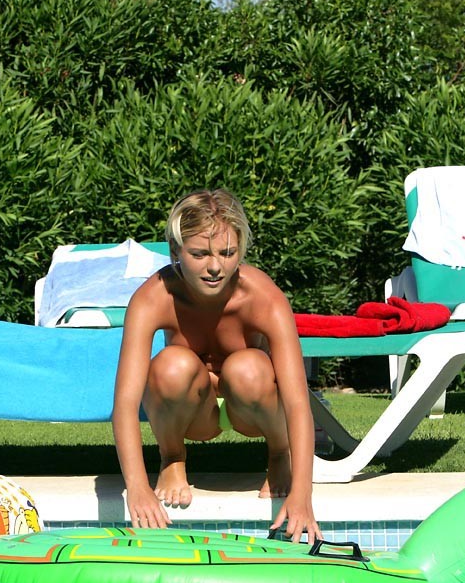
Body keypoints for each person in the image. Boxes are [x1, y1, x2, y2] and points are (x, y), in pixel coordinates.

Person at [112, 189, 322, 544]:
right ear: (176, 251)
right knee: (171, 365)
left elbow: (298, 401)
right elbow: (126, 403)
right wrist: (137, 487)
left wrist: (303, 494)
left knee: (249, 367)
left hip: (254, 409)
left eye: (228, 253)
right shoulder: (154, 298)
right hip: (192, 413)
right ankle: (172, 456)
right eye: (199, 254)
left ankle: (278, 453)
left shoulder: (263, 297)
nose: (215, 266)